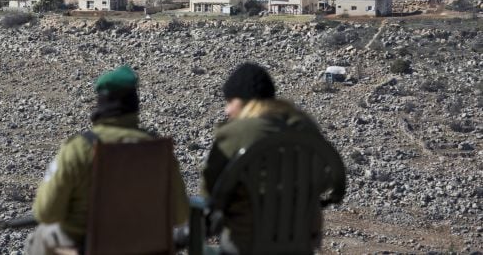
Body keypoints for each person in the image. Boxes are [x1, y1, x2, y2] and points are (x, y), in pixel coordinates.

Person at [25, 65, 190, 255]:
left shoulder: (78, 149)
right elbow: (180, 214)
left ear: (101, 103)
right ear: (134, 104)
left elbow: (46, 212)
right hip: (148, 249)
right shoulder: (159, 150)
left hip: (89, 248)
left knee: (39, 237)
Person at [202, 62, 345, 254]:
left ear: (242, 101)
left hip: (245, 245)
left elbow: (209, 193)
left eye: (230, 102)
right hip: (301, 244)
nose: (227, 110)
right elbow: (330, 182)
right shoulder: (306, 127)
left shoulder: (235, 132)